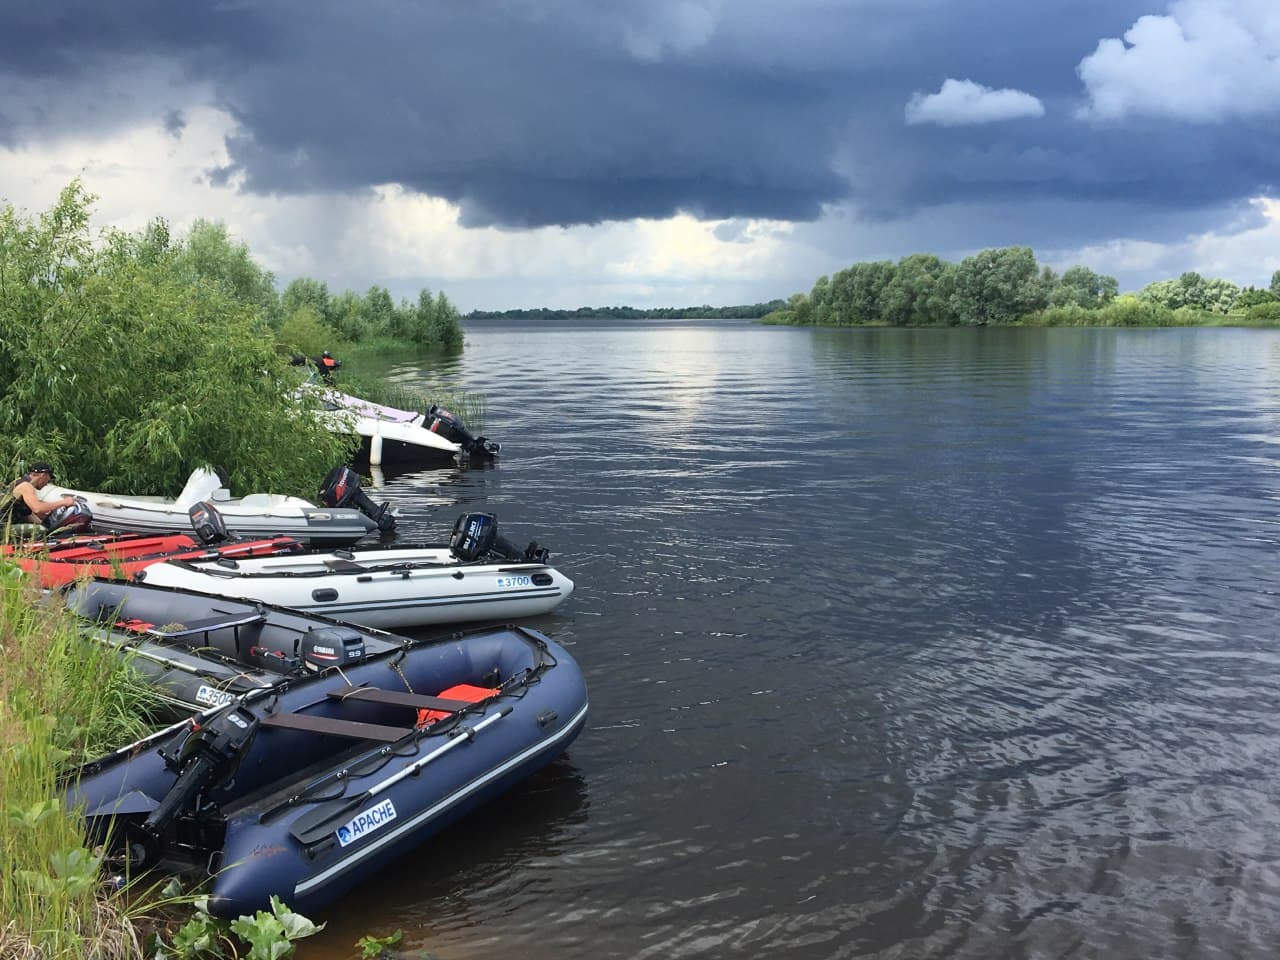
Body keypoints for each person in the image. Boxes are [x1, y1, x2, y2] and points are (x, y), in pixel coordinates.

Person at [4, 462, 76, 525]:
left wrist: (44, 524)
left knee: (44, 529)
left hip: (9, 523)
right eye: (48, 479)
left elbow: (29, 515)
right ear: (43, 475)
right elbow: (37, 508)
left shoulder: (18, 482)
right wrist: (64, 502)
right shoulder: (26, 486)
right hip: (5, 527)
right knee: (41, 532)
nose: (47, 484)